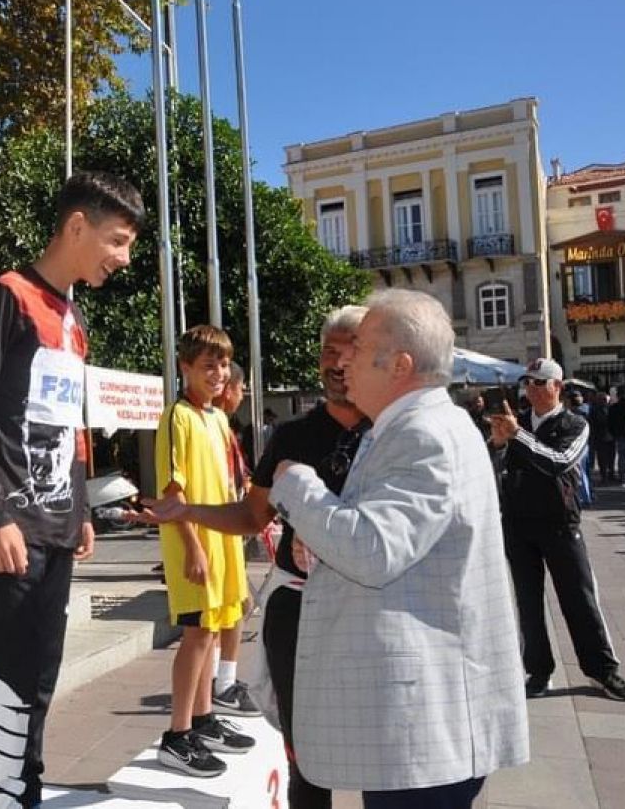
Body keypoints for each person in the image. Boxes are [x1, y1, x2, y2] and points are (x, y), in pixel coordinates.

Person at [147, 292, 528, 807]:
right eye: (334, 349)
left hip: (425, 717)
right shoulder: (398, 427)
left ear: (400, 365)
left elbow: (371, 550)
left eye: (357, 346)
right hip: (377, 671)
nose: (341, 360)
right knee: (308, 761)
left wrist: (301, 489)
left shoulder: (422, 434)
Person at [0, 170, 143, 808]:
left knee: (39, 676)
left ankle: (23, 795)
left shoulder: (74, 317)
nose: (123, 258)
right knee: (3, 681)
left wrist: (82, 506)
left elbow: (72, 419)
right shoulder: (8, 295)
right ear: (76, 226)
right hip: (9, 527)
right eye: (117, 241)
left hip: (58, 526)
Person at [492, 358, 625, 702]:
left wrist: (517, 436)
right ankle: (538, 671)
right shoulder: (517, 422)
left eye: (540, 383)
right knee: (527, 600)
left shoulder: (574, 423)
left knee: (579, 596)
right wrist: (497, 443)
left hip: (559, 522)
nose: (533, 390)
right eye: (529, 383)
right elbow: (493, 466)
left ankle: (602, 670)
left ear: (558, 387)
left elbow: (559, 462)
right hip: (518, 522)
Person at [153, 325, 255, 777]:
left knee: (213, 630)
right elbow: (172, 494)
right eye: (207, 365)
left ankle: (202, 718)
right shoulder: (177, 416)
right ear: (185, 368)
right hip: (193, 544)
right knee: (195, 635)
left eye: (222, 364)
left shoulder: (216, 417)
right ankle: (176, 735)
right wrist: (192, 545)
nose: (218, 373)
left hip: (223, 541)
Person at [209, 361, 261, 721]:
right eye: (241, 389)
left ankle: (220, 679)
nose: (242, 396)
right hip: (214, 532)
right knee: (227, 612)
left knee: (234, 609)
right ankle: (220, 683)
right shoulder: (207, 423)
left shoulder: (222, 426)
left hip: (227, 532)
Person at [566, 391, 593, 507]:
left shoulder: (571, 415)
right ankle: (588, 494)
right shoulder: (587, 411)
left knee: (580, 472)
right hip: (586, 444)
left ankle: (586, 497)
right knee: (586, 471)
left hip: (577, 446)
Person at [608, 388, 625, 486]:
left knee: (621, 456)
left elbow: (609, 422)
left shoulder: (613, 407)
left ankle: (622, 476)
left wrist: (612, 433)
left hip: (619, 434)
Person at [589, 392, 615, 485]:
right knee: (602, 458)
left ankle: (611, 474)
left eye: (606, 400)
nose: (605, 401)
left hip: (611, 437)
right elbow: (593, 424)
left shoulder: (610, 409)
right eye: (603, 399)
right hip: (600, 437)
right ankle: (604, 476)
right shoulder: (595, 410)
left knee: (611, 457)